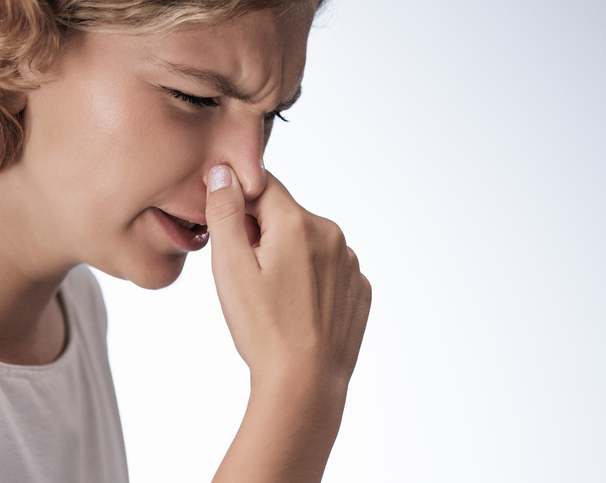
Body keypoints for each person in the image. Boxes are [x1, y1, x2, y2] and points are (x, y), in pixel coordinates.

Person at [0, 0, 371, 481]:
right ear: (15, 51)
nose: (249, 176)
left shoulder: (74, 309)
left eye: (270, 116)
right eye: (193, 97)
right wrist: (297, 391)